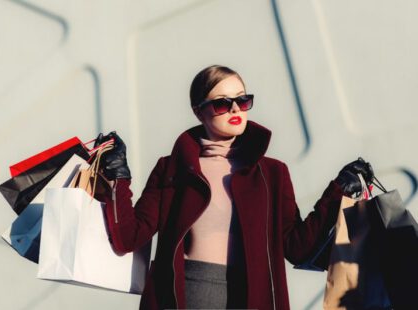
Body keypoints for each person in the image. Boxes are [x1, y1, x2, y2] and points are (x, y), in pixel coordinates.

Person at [95, 65, 374, 310]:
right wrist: (118, 177)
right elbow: (128, 237)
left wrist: (338, 191)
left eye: (242, 100)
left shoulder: (272, 173)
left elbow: (296, 248)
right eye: (221, 103)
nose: (234, 109)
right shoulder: (172, 168)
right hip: (185, 297)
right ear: (198, 111)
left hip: (252, 298)